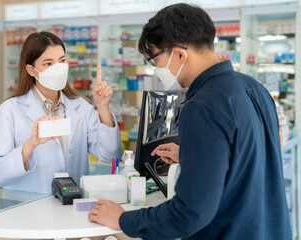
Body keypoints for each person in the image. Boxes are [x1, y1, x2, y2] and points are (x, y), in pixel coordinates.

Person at [88, 3, 292, 240]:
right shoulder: (254, 88)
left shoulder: (202, 106)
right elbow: (248, 159)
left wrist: (123, 219)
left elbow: (189, 214)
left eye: (156, 61)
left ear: (179, 54)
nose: (157, 71)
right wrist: (192, 155)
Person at [0, 31, 122, 193]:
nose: (58, 68)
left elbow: (111, 155)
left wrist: (102, 106)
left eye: (62, 61)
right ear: (31, 70)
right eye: (48, 64)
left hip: (72, 207)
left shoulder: (80, 106)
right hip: (27, 210)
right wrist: (31, 144)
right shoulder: (10, 110)